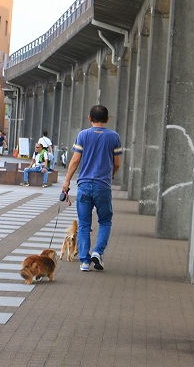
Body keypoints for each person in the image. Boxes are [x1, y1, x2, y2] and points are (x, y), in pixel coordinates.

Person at [62, 105, 122, 272]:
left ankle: (84, 261)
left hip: (84, 186)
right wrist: (111, 174)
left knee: (83, 224)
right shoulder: (114, 137)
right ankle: (98, 251)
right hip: (103, 186)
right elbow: (117, 163)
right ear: (107, 119)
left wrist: (67, 181)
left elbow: (75, 160)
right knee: (105, 221)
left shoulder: (83, 135)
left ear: (90, 118)